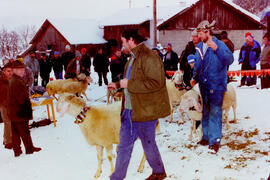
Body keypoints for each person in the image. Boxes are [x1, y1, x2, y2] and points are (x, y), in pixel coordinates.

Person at [108, 28, 170, 180]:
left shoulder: (150, 57)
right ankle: (117, 177)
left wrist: (128, 84)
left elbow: (156, 83)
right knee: (123, 147)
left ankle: (159, 172)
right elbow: (131, 81)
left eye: (123, 41)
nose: (122, 45)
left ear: (131, 40)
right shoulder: (132, 58)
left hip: (145, 111)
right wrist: (117, 85)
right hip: (129, 111)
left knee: (148, 144)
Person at [190, 20, 233, 153]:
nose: (198, 37)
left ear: (207, 32)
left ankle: (215, 141)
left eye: (200, 34)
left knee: (215, 112)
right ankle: (206, 137)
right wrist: (194, 77)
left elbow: (229, 59)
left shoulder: (219, 44)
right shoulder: (199, 47)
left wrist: (217, 49)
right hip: (204, 84)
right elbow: (198, 64)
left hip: (217, 84)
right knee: (206, 111)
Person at [8, 61, 41, 157]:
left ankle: (17, 151)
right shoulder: (16, 81)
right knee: (25, 131)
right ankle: (29, 149)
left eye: (23, 69)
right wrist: (28, 106)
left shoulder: (15, 79)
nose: (23, 71)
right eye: (20, 69)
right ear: (14, 70)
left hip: (14, 111)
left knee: (15, 132)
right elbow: (21, 99)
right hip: (19, 111)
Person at [0, 62, 13, 149]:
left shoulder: (11, 80)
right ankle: (8, 143)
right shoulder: (1, 81)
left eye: (11, 71)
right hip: (3, 104)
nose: (10, 73)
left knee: (9, 122)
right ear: (4, 71)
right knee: (7, 122)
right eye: (8, 71)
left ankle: (6, 139)